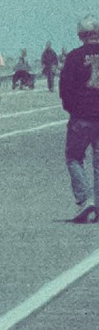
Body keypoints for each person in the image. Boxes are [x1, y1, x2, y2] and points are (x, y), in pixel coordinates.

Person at [58, 17, 99, 224]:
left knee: (74, 157)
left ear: (81, 35)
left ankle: (85, 198)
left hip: (82, 117)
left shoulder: (74, 57)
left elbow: (65, 89)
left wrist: (72, 109)